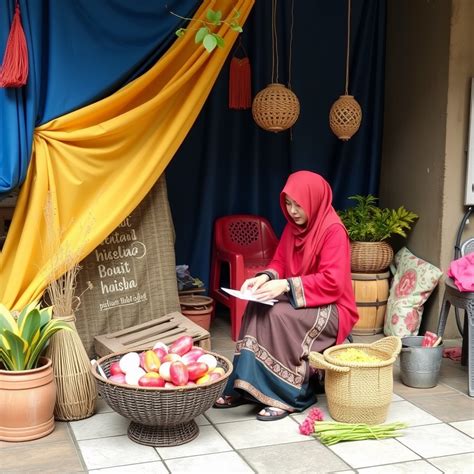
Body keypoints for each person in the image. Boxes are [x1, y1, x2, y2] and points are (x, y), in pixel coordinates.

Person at [214, 170, 358, 420]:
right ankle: (245, 385)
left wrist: (286, 286)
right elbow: (280, 261)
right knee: (257, 306)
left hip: (333, 308)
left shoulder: (334, 231)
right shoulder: (294, 228)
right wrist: (265, 278)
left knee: (278, 314)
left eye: (298, 205)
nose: (292, 211)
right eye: (288, 203)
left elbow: (332, 282)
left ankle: (286, 395)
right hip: (305, 299)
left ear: (314, 200)